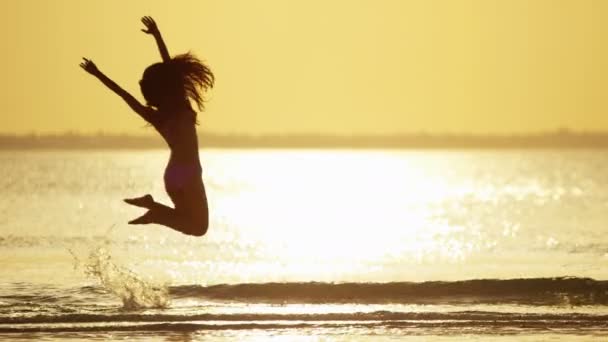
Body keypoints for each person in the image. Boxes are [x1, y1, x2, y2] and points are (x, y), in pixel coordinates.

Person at [80, 16, 213, 236]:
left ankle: (154, 210)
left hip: (172, 175)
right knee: (199, 227)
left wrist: (97, 73)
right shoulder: (183, 108)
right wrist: (157, 35)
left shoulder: (159, 118)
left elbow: (124, 95)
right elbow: (169, 68)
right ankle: (155, 212)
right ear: (171, 87)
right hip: (189, 173)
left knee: (189, 222)